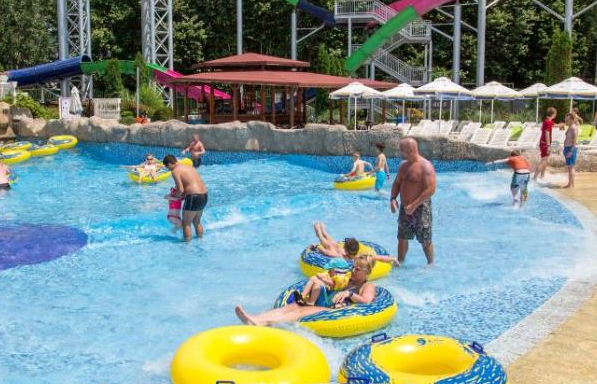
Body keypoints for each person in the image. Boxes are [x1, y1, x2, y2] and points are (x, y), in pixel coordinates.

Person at [235, 255, 379, 326]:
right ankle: (256, 318)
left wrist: (350, 293)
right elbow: (333, 285)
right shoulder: (348, 280)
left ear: (366, 273)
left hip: (335, 312)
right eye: (353, 267)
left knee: (301, 311)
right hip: (327, 304)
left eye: (357, 269)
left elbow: (367, 301)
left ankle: (262, 322)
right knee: (293, 306)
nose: (353, 270)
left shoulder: (367, 286)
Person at [390, 136, 436, 266]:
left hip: (421, 208)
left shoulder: (425, 166)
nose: (399, 152)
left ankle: (430, 264)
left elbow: (431, 189)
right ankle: (400, 262)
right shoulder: (403, 165)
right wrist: (393, 198)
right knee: (402, 237)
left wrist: (414, 205)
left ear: (410, 150)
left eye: (401, 150)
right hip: (405, 208)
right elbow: (397, 182)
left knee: (425, 239)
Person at [164, 154, 207, 242]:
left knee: (186, 224)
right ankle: (201, 241)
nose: (169, 169)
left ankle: (187, 246)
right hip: (204, 195)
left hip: (194, 197)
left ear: (170, 164)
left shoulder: (175, 171)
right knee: (197, 221)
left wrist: (171, 196)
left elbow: (180, 190)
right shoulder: (189, 167)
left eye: (167, 167)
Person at [534, 107, 556, 181]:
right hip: (545, 144)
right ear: (553, 114)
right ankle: (534, 178)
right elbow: (547, 133)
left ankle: (542, 175)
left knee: (545, 160)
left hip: (543, 143)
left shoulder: (547, 121)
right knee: (543, 160)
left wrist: (562, 125)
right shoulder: (548, 122)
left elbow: (555, 125)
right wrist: (548, 146)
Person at [562, 110, 582, 189]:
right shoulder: (570, 127)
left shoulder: (573, 127)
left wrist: (571, 151)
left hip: (570, 148)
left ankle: (571, 185)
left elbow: (575, 140)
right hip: (568, 148)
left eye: (567, 120)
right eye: (566, 120)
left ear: (572, 120)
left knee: (571, 168)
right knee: (570, 168)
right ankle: (570, 184)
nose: (566, 121)